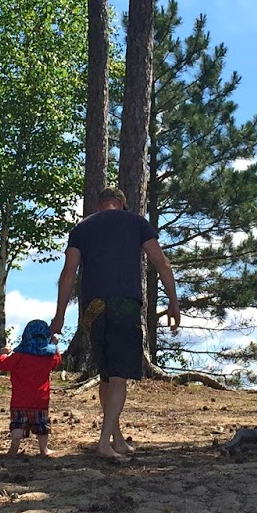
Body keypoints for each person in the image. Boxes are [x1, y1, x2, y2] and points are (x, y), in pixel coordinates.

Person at [51, 186, 179, 460]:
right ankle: (103, 443)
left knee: (107, 375)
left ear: (99, 205)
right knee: (119, 376)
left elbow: (68, 273)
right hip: (124, 305)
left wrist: (59, 316)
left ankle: (116, 439)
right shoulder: (136, 222)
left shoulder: (82, 228)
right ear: (121, 204)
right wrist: (173, 301)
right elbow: (161, 262)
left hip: (93, 307)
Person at [0, 319, 61, 456]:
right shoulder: (48, 357)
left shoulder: (19, 356)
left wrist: (3, 353)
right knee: (42, 426)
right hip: (40, 400)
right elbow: (57, 361)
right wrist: (55, 346)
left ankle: (14, 448)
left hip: (19, 400)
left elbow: (2, 365)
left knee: (17, 425)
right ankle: (44, 449)